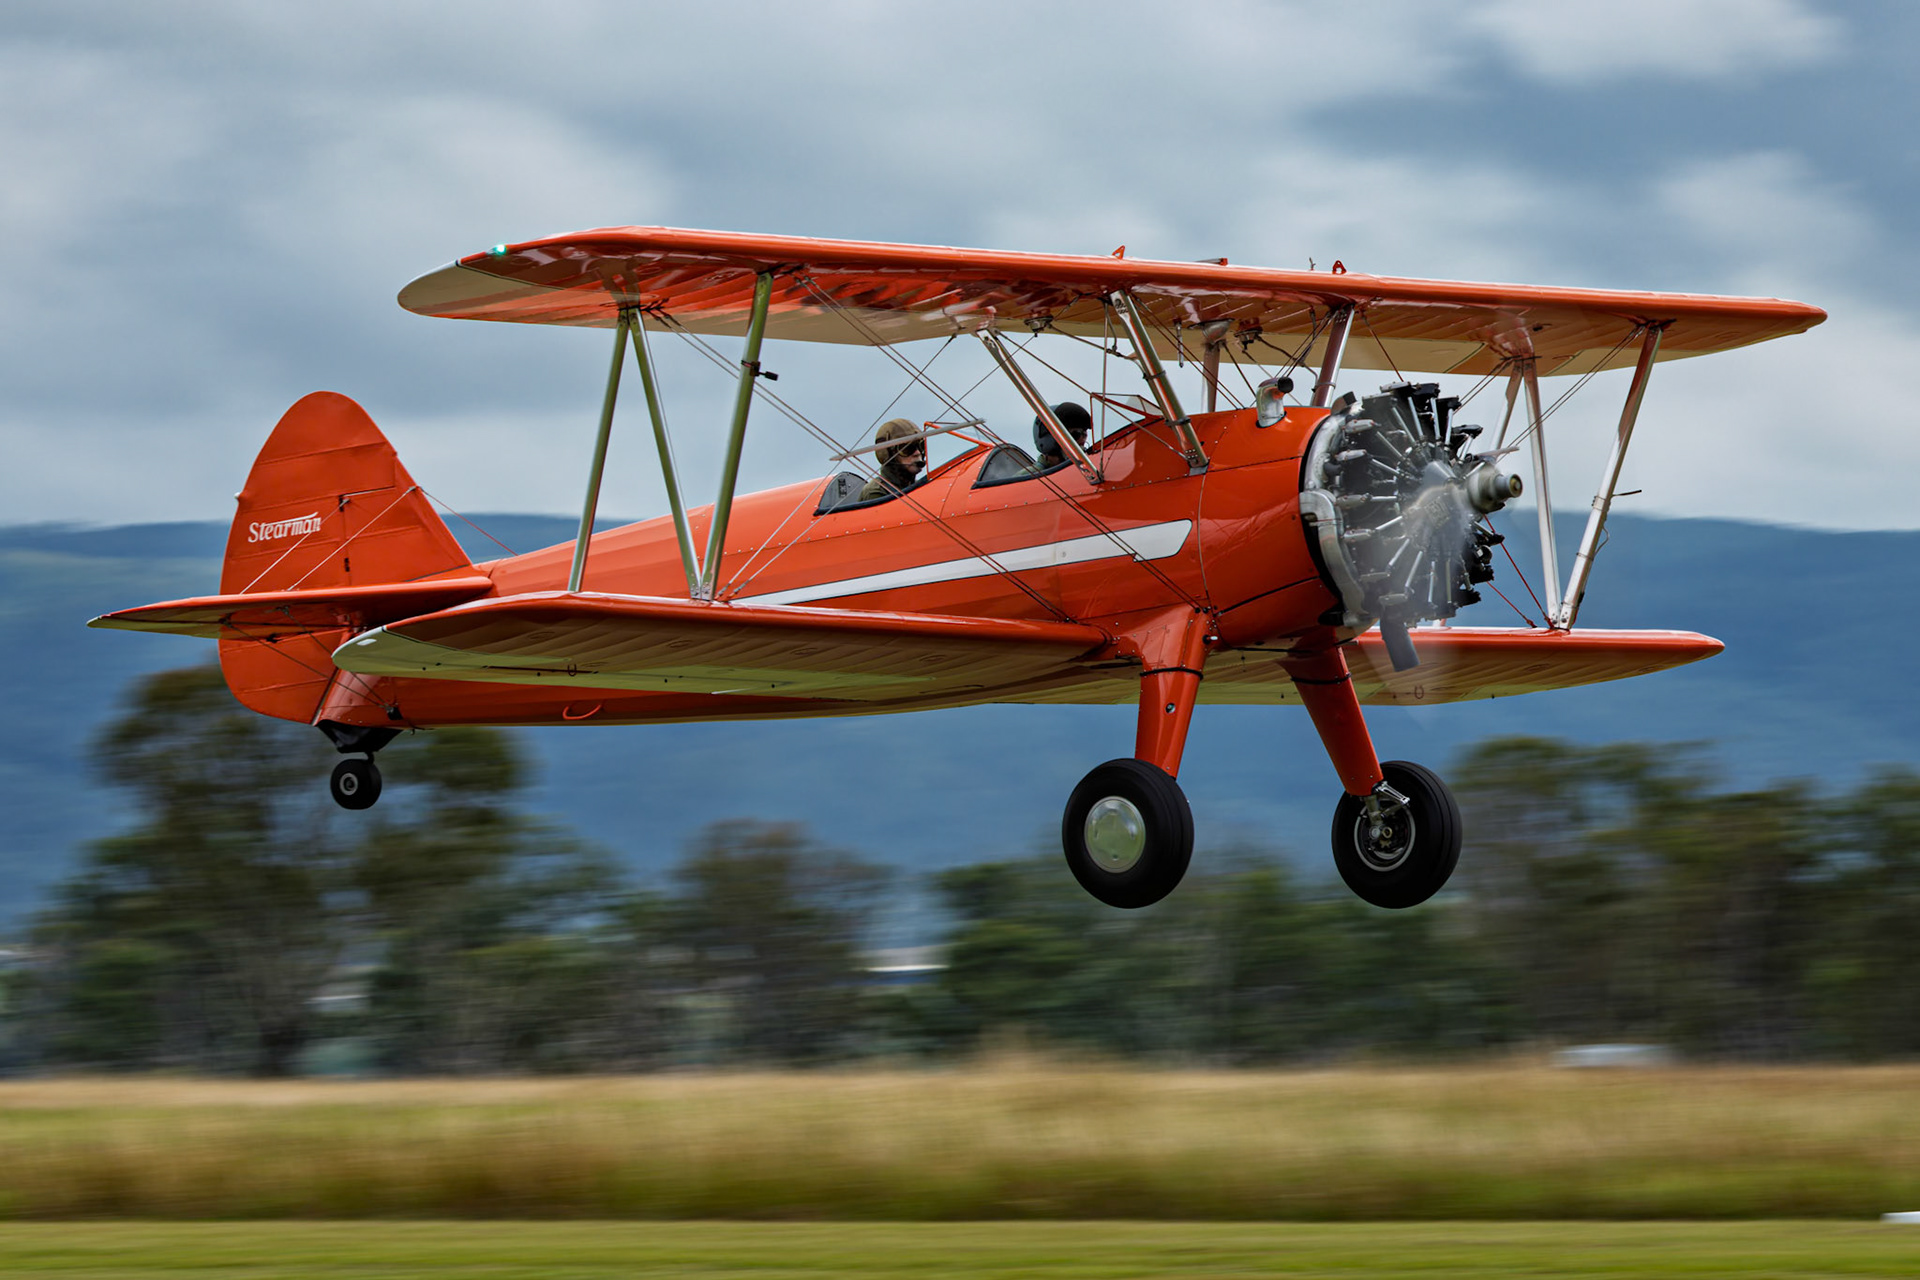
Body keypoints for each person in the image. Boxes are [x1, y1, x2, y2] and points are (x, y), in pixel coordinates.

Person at [857, 418, 927, 501]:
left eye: (921, 446)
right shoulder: (876, 492)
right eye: (907, 449)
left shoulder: (919, 487)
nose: (917, 453)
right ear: (890, 455)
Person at [1032, 401, 1094, 468]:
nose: (1082, 438)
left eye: (1084, 433)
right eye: (1075, 434)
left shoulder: (1087, 470)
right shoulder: (1032, 476)